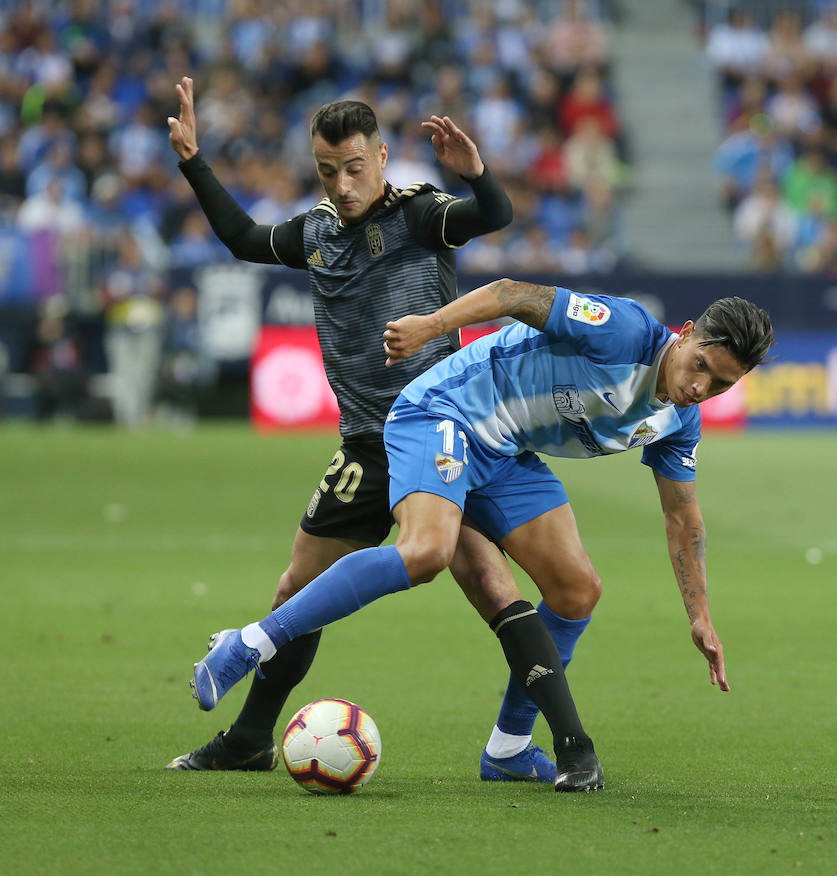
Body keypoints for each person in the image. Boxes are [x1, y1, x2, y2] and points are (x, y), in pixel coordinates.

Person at [190, 279, 775, 789]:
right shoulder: (623, 332)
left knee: (577, 589)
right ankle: (249, 643)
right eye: (701, 365)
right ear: (689, 332)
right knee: (426, 553)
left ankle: (509, 749)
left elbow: (683, 518)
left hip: (505, 452)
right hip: (444, 412)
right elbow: (512, 295)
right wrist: (430, 327)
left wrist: (699, 616)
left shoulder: (678, 420)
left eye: (720, 385)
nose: (701, 387)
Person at [166, 77, 579, 787]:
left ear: (382, 157)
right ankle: (249, 739)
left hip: (445, 433)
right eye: (328, 171)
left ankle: (563, 746)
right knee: (298, 589)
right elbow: (241, 239)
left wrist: (474, 172)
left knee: (488, 580)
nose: (344, 184)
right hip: (367, 444)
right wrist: (193, 162)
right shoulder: (315, 232)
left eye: (355, 167)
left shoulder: (418, 215)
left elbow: (492, 214)